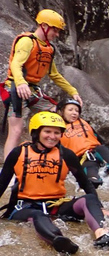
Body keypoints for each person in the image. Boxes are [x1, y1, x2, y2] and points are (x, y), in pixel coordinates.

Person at [0, 111, 109, 254]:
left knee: (88, 198)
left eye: (57, 133)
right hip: (24, 207)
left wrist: (100, 208)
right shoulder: (18, 152)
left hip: (55, 204)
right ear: (36, 133)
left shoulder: (67, 154)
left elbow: (85, 184)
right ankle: (58, 240)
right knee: (39, 215)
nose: (52, 136)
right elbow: (2, 183)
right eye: (47, 131)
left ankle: (102, 234)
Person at [3, 9, 82, 159]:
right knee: (16, 130)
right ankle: (8, 169)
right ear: (44, 26)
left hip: (32, 89)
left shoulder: (49, 48)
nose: (57, 34)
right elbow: (16, 64)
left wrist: (73, 91)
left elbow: (54, 75)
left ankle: (49, 156)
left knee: (56, 114)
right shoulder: (27, 41)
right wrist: (20, 83)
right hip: (15, 87)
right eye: (55, 30)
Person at [58, 98, 109, 188]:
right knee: (93, 181)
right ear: (61, 112)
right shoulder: (57, 129)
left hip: (99, 150)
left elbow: (100, 141)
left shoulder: (84, 123)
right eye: (70, 110)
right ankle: (94, 180)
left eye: (77, 111)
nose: (74, 113)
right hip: (82, 158)